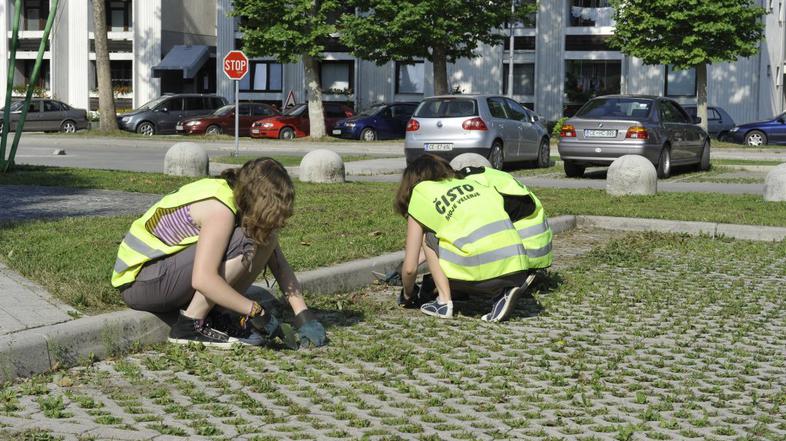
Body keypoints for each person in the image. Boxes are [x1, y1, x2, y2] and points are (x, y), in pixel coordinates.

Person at [111, 158, 326, 349]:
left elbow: (279, 264)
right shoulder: (219, 209)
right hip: (141, 283)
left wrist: (303, 316)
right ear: (259, 202)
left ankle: (219, 315)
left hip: (162, 277)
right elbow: (203, 279)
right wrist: (256, 311)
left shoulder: (239, 197)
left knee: (265, 237)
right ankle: (190, 325)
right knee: (248, 239)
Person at [393, 154, 552, 321]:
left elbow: (410, 269)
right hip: (518, 270)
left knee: (428, 236)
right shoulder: (473, 183)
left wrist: (408, 294)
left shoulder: (421, 194)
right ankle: (502, 294)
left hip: (481, 277)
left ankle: (444, 302)